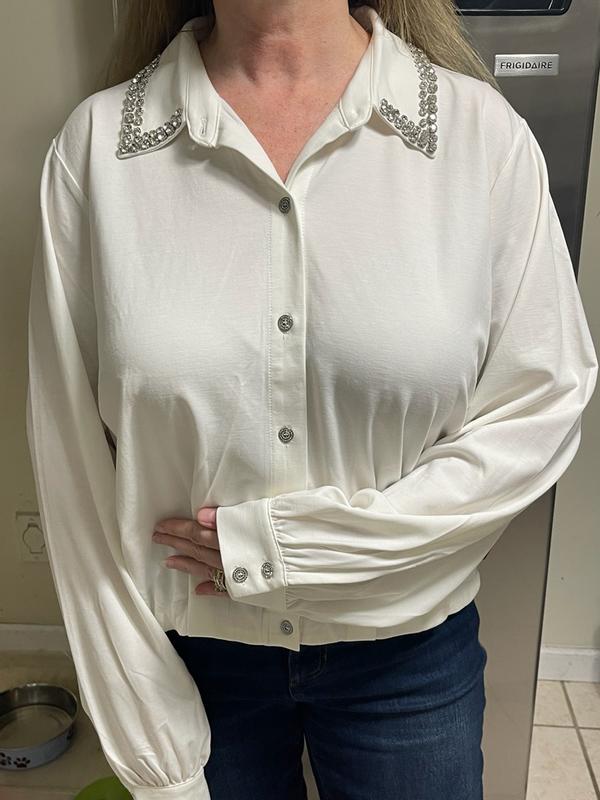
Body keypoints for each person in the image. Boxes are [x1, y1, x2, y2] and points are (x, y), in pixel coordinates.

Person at [25, 0, 598, 798]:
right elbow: (71, 469)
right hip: (186, 659)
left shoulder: (480, 138)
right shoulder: (96, 151)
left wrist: (295, 550)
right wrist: (147, 734)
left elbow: (539, 405)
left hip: (407, 656)